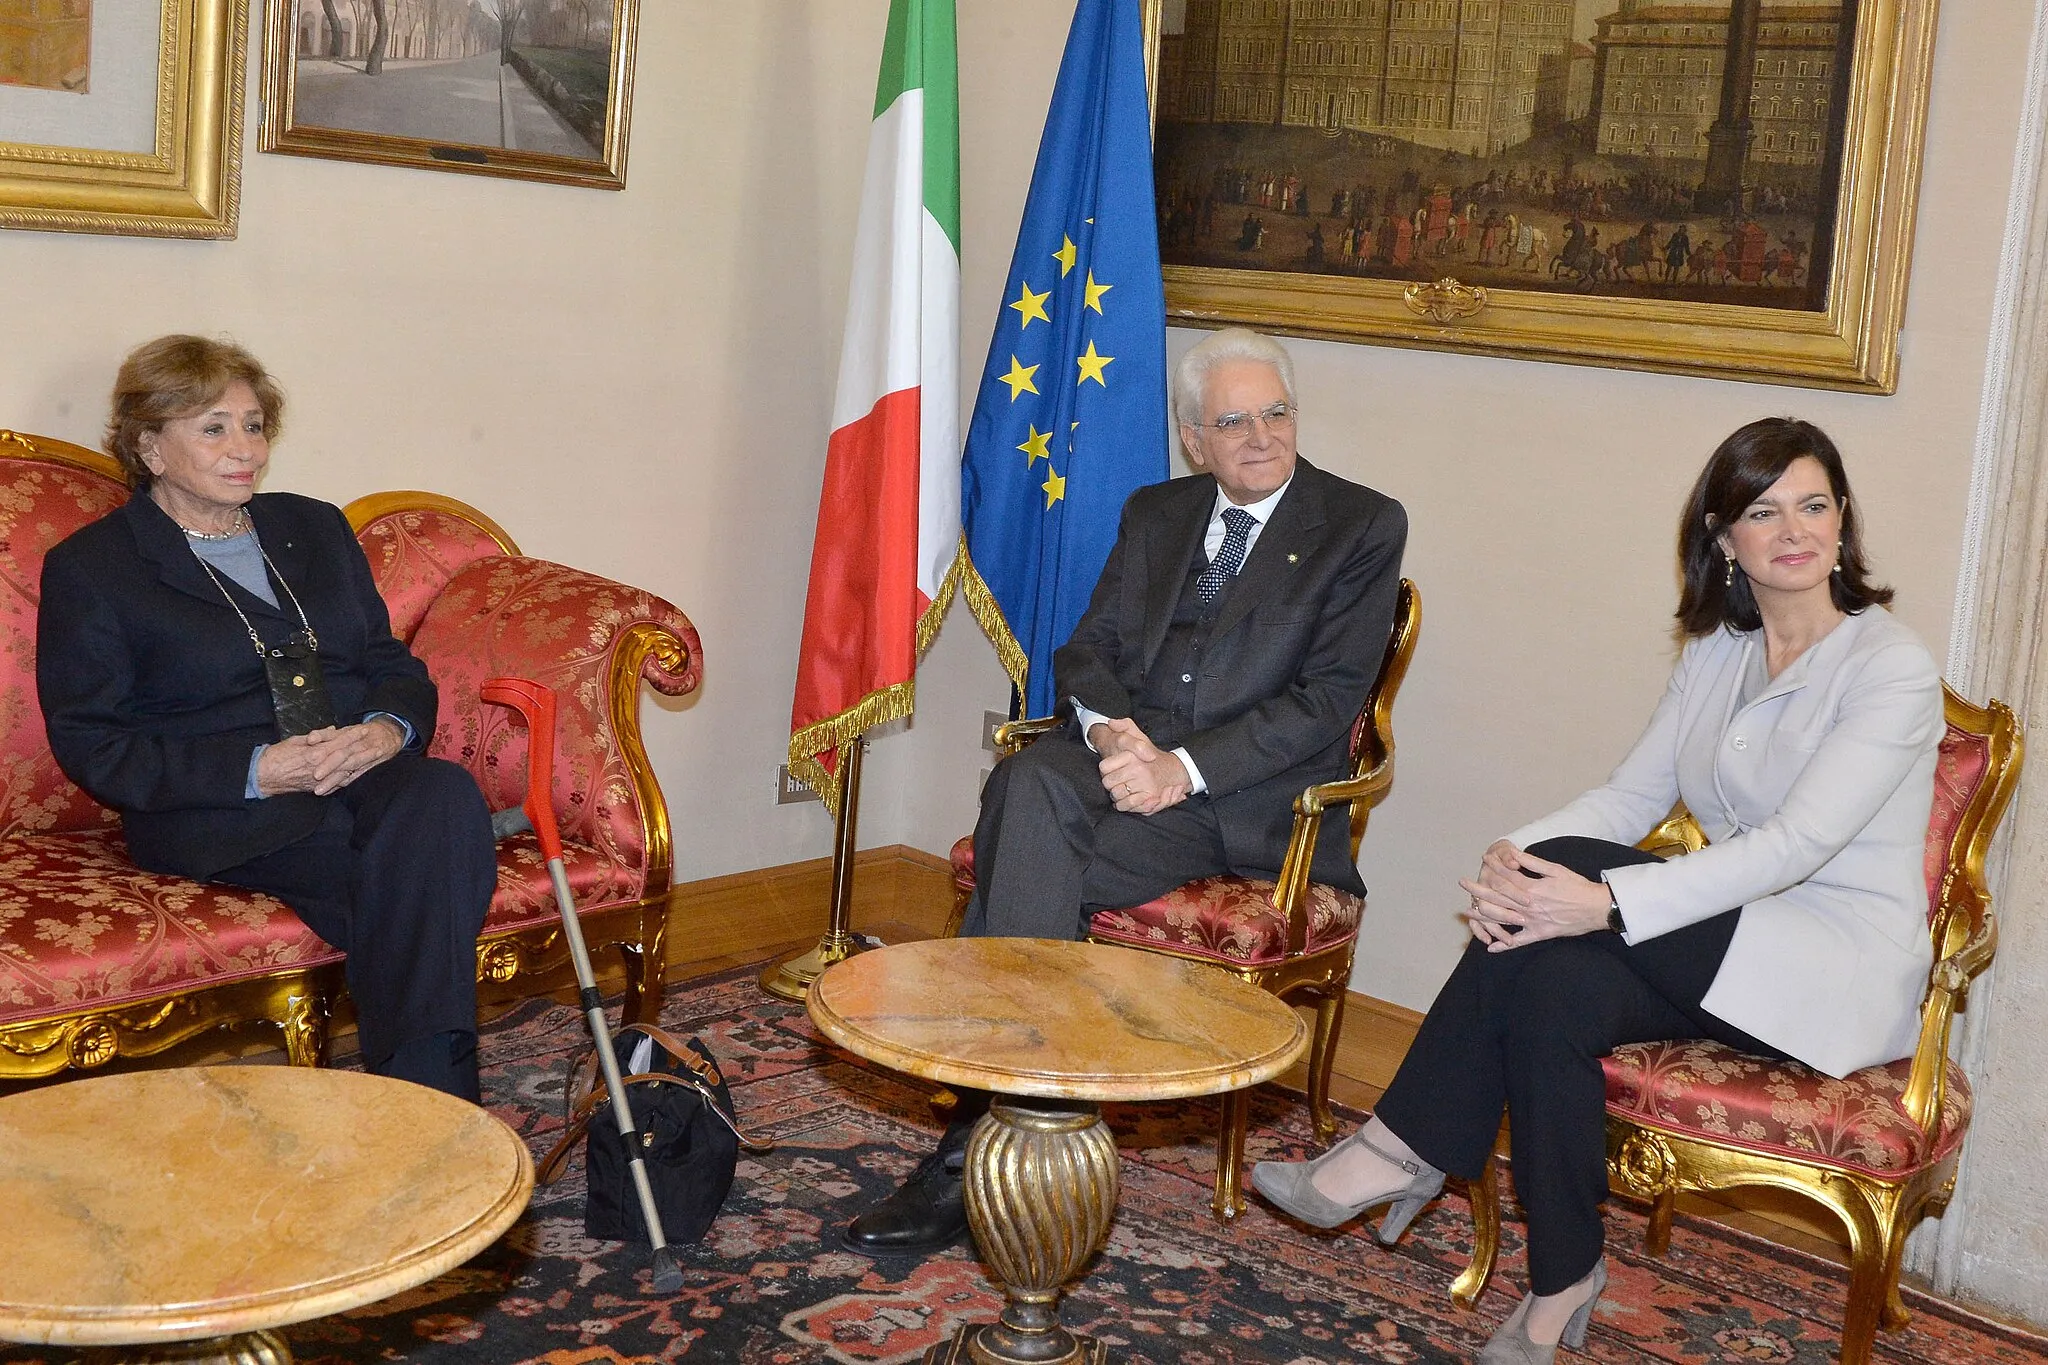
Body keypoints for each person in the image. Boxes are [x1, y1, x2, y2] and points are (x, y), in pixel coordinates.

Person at [1252, 417, 1942, 1364]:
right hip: (1721, 940)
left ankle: (1401, 1147)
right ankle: (1563, 1276)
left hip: (1827, 966)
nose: (1794, 529)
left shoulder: (1890, 666)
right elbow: (1632, 794)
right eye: (1763, 509)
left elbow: (1797, 845)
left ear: (1843, 518)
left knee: (1571, 879)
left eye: (1814, 504)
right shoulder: (1718, 653)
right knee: (1546, 986)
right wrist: (1513, 851)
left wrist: (1602, 902)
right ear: (1721, 535)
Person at [842, 327, 1408, 1256]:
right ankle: (1024, 1119)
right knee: (1029, 783)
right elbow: (1087, 650)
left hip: (1238, 806)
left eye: (1277, 413)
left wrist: (1178, 771)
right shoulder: (1158, 511)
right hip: (1120, 763)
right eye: (1234, 421)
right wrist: (1111, 734)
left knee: (1021, 841)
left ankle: (976, 1139)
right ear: (1195, 437)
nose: (1262, 436)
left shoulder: (1360, 523)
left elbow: (1326, 703)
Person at [36, 335, 497, 1101]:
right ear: (149, 445)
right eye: (214, 427)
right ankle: (436, 1105)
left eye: (254, 425)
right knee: (425, 866)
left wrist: (385, 730)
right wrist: (258, 770)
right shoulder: (95, 567)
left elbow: (392, 663)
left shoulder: (313, 527)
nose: (244, 448)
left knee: (441, 794)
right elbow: (94, 741)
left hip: (359, 770)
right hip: (226, 807)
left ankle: (418, 1113)